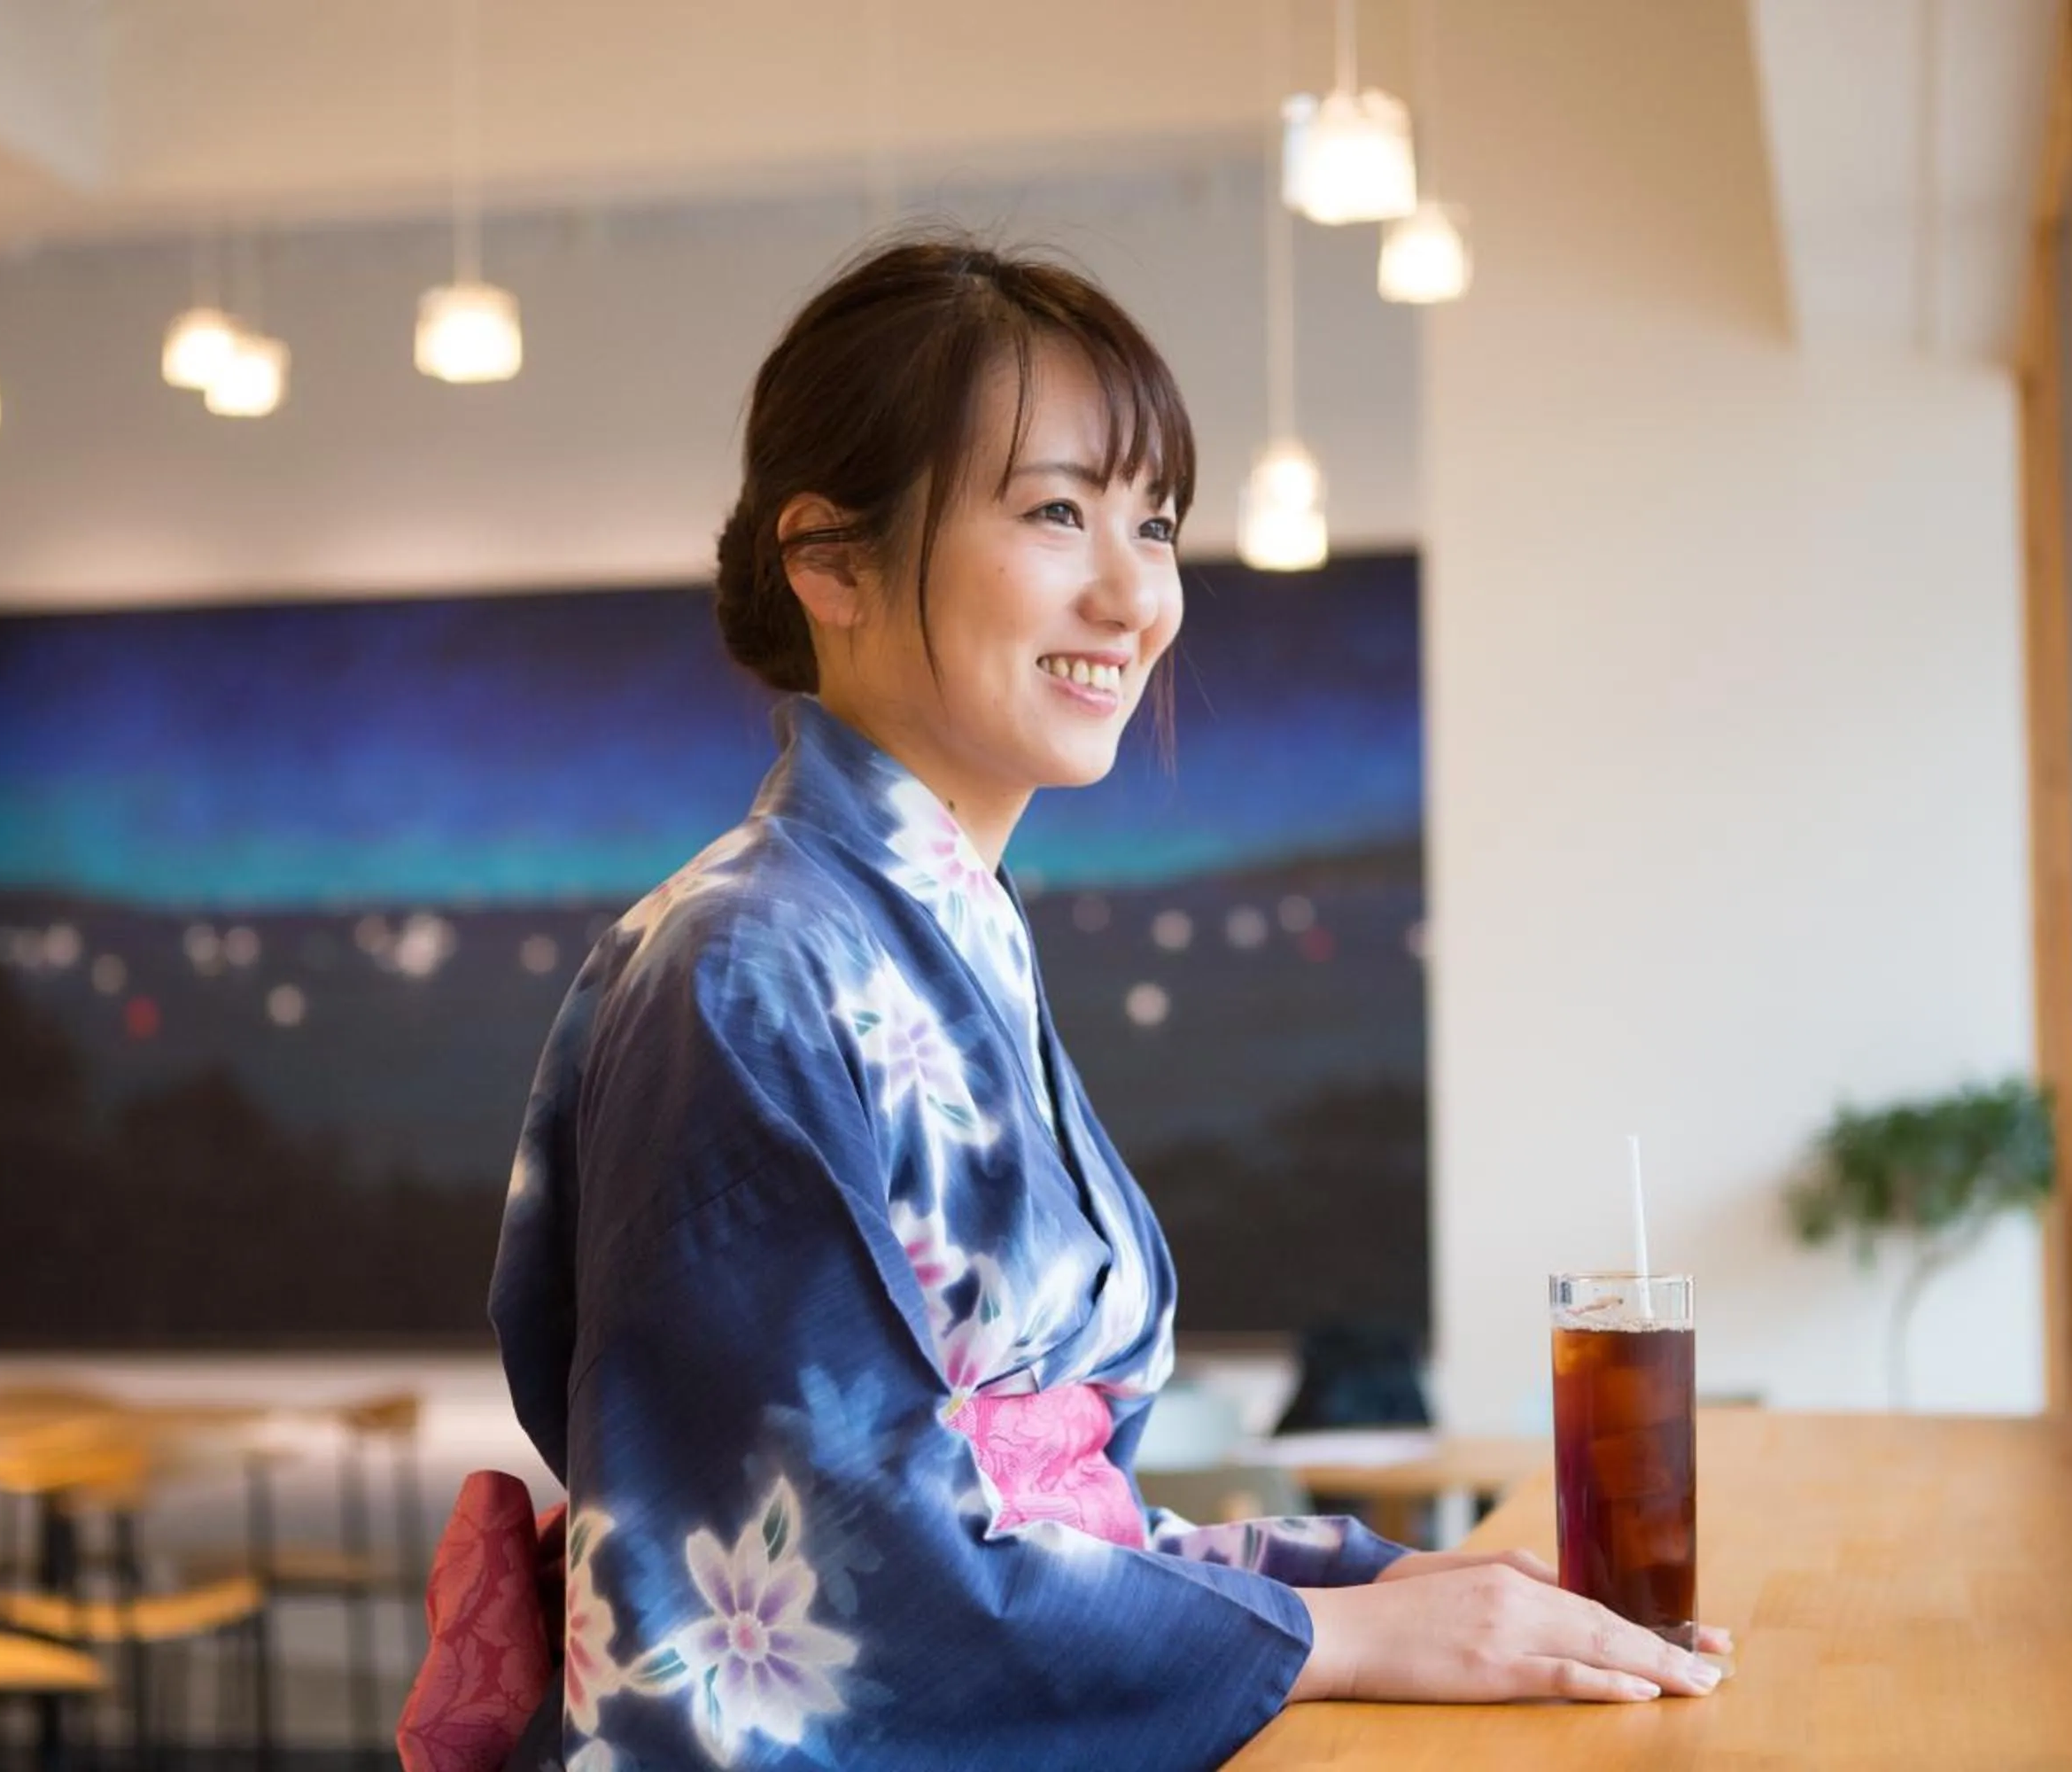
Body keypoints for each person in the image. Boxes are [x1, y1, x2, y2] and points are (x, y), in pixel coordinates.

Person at [487, 233, 1727, 1772]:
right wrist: (1341, 1637)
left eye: (1156, 521)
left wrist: (1369, 1578)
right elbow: (844, 1582)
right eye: (1058, 510)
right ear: (832, 561)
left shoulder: (944, 935)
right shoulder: (746, 966)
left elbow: (1050, 1521)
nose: (1135, 592)